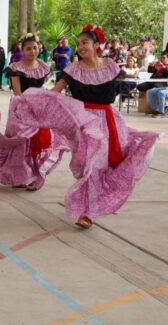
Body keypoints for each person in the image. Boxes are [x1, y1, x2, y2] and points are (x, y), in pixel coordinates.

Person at [12, 25, 159, 229]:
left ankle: (89, 212)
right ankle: (90, 208)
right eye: (78, 43)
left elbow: (117, 90)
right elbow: (54, 94)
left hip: (109, 122)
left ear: (96, 45)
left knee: (103, 165)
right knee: (88, 166)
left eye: (85, 42)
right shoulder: (72, 70)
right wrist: (30, 103)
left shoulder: (111, 66)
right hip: (83, 123)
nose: (80, 47)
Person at [0, 34, 65, 191]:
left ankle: (38, 177)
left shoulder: (43, 66)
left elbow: (44, 88)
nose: (32, 51)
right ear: (22, 50)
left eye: (35, 48)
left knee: (39, 142)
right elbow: (18, 93)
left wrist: (46, 100)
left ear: (39, 48)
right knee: (21, 142)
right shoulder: (16, 68)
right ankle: (20, 176)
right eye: (28, 49)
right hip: (21, 108)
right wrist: (31, 104)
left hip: (39, 108)